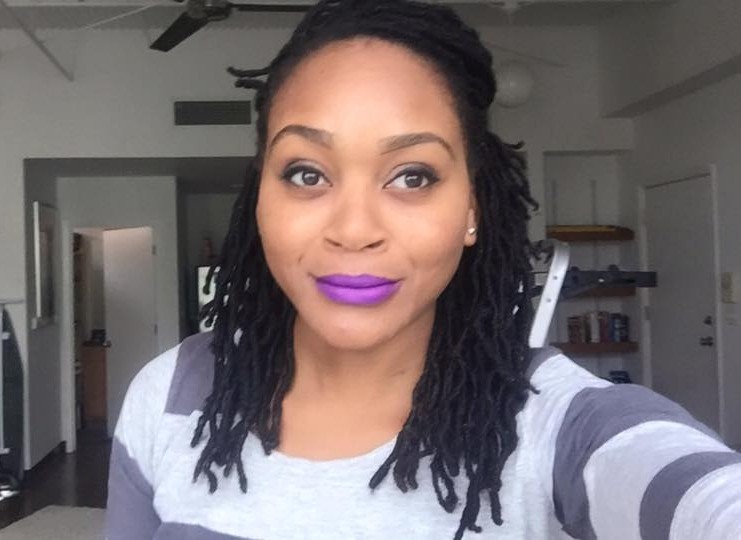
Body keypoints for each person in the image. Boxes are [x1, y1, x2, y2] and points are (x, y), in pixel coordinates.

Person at [104, 1, 741, 539]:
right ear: (260, 200)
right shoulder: (168, 396)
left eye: (412, 176)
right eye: (306, 173)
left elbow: (695, 494)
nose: (355, 229)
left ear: (471, 208)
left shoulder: (550, 422)